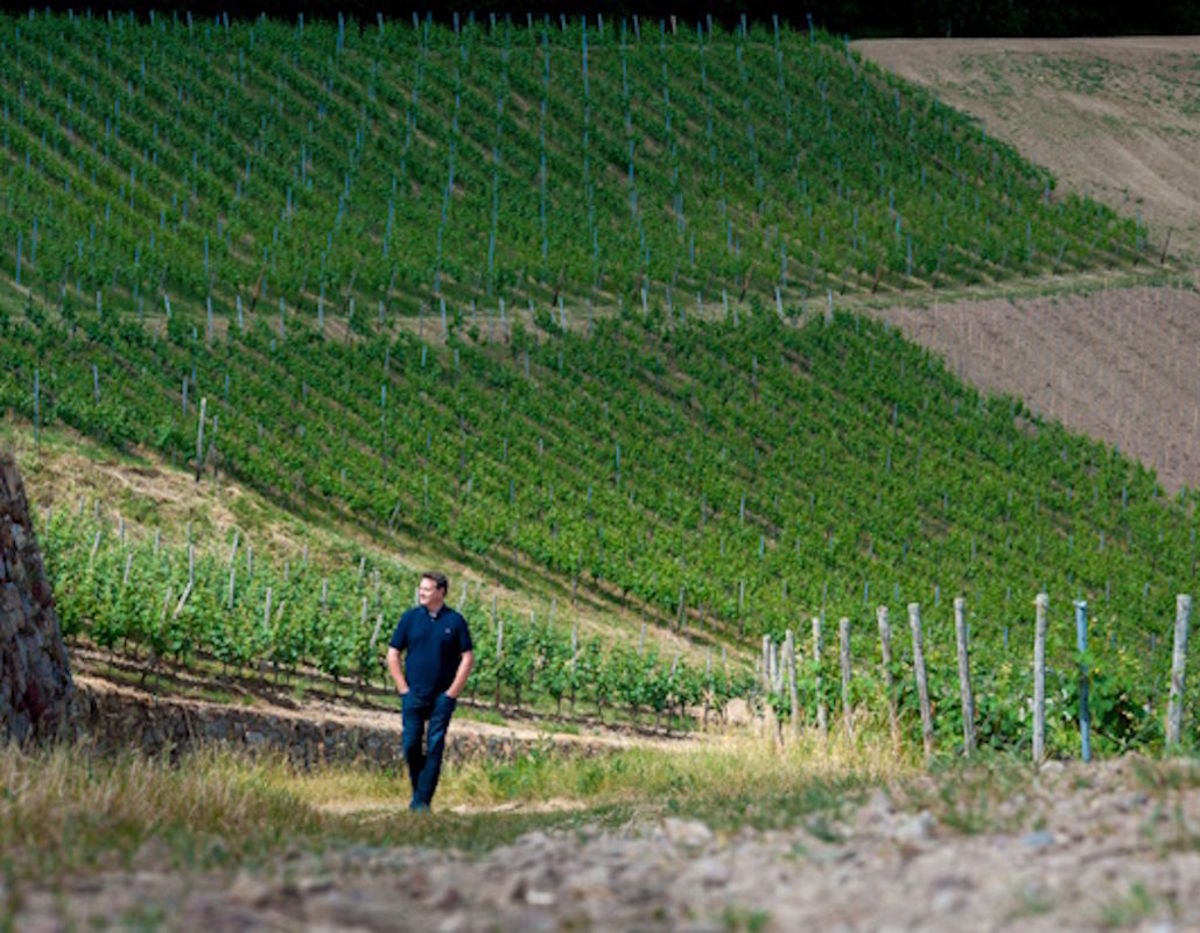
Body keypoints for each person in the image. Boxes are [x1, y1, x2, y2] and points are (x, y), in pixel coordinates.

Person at [387, 571, 474, 812]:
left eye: (427, 589)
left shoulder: (455, 622)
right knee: (411, 745)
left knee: (435, 746)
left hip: (441, 699)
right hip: (413, 695)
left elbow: (467, 658)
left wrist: (451, 694)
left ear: (441, 592)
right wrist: (403, 689)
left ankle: (421, 803)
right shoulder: (410, 618)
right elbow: (393, 653)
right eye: (421, 588)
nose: (421, 593)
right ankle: (419, 794)